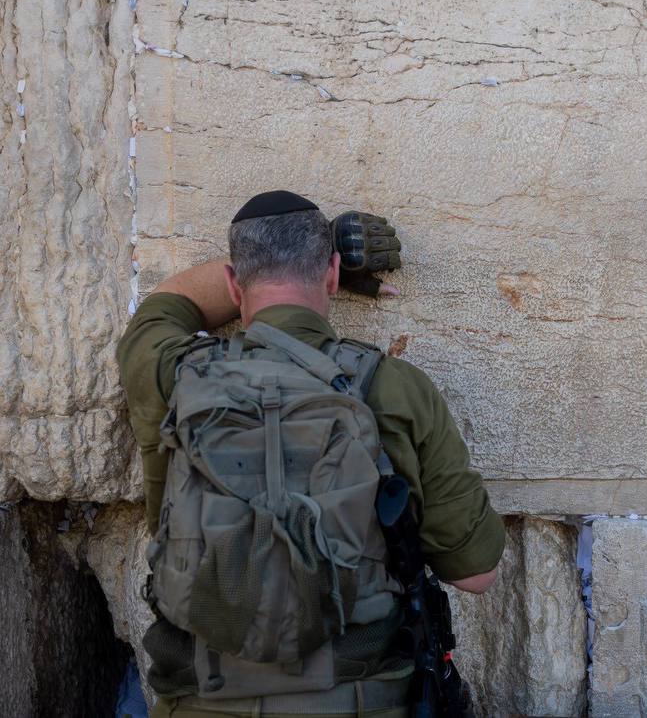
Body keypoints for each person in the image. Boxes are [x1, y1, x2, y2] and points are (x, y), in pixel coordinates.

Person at [116, 190, 505, 718]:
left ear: (234, 283)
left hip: (200, 701)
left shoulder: (172, 373)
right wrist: (327, 252)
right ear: (331, 275)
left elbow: (169, 303)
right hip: (363, 701)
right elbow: (476, 574)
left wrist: (277, 262)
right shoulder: (394, 388)